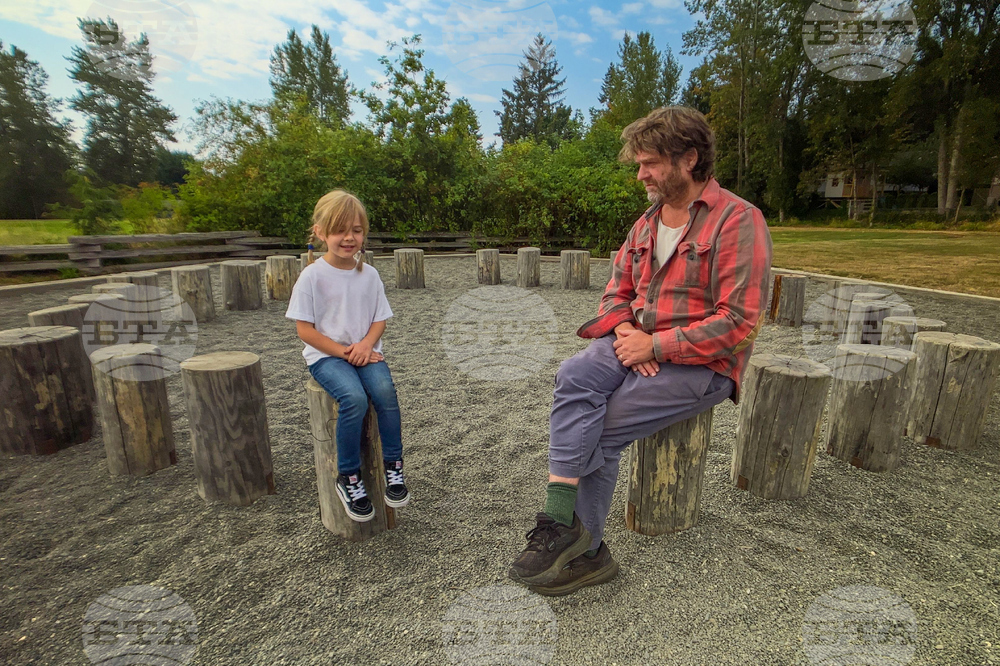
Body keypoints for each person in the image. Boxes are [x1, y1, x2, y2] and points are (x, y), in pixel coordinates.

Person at [507, 106, 773, 596]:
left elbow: (740, 322)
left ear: (689, 158)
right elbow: (615, 293)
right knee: (575, 375)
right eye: (639, 163)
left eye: (649, 163)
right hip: (634, 339)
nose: (640, 174)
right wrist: (630, 330)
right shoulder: (646, 224)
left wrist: (659, 345)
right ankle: (564, 526)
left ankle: (584, 548)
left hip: (704, 363)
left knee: (602, 426)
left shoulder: (739, 221)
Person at [286, 189, 410, 522]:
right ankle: (348, 475)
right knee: (354, 398)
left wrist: (367, 345)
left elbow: (379, 317)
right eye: (340, 230)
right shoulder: (312, 276)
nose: (349, 237)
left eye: (356, 230)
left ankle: (394, 467)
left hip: (366, 351)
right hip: (326, 356)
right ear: (320, 232)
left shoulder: (368, 274)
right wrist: (346, 352)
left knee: (385, 393)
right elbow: (305, 330)